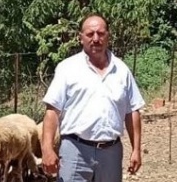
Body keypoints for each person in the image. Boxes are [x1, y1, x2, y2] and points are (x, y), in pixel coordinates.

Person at [40, 14, 145, 182]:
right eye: (90, 34)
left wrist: (136, 150)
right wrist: (47, 148)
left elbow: (132, 111)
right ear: (80, 38)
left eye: (101, 33)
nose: (96, 39)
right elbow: (52, 112)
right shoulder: (67, 68)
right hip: (75, 150)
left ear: (108, 36)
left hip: (111, 153)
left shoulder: (122, 70)